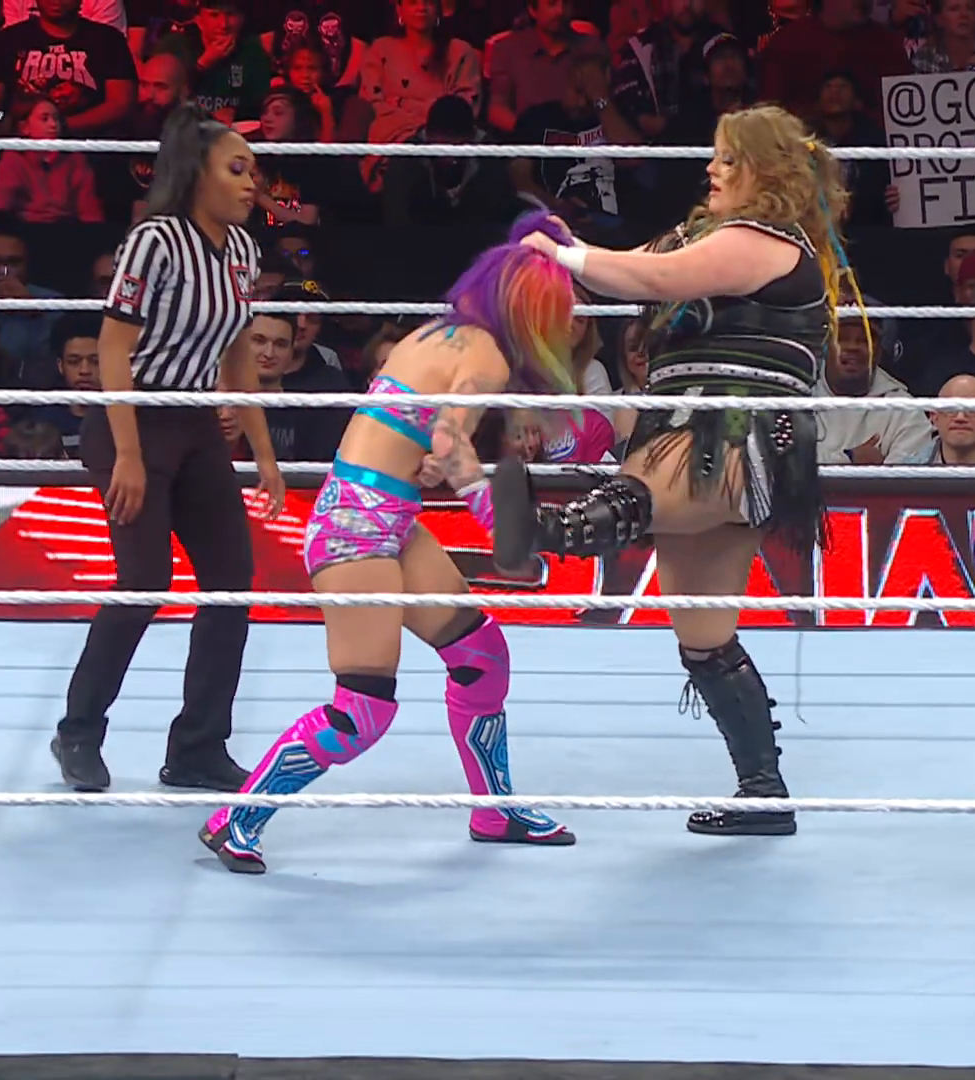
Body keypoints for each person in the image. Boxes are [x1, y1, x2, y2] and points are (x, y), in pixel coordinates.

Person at [496, 104, 859, 838]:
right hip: (697, 435)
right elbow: (629, 268)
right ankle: (764, 793)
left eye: (727, 158)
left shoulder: (762, 241)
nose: (711, 169)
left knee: (599, 515)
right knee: (703, 634)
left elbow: (655, 277)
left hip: (734, 439)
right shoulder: (703, 236)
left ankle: (521, 523)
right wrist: (569, 249)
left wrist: (569, 257)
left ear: (764, 171)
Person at [199, 213, 584, 875]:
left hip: (386, 514)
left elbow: (415, 431)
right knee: (362, 708)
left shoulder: (439, 332)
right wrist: (500, 522)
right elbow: (451, 443)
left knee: (480, 655)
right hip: (358, 526)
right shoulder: (486, 353)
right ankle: (237, 818)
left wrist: (431, 462)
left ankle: (495, 808)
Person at [51, 102, 284, 794]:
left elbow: (238, 352)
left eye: (254, 171)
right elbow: (113, 348)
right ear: (197, 173)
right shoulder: (153, 241)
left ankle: (198, 748)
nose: (251, 184)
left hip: (197, 423)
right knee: (144, 582)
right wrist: (127, 453)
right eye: (237, 169)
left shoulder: (243, 251)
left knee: (231, 586)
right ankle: (78, 732)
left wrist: (264, 453)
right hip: (135, 419)